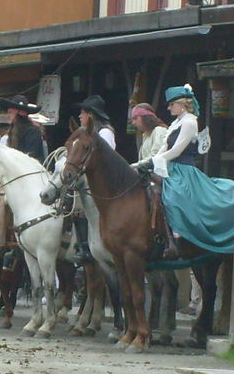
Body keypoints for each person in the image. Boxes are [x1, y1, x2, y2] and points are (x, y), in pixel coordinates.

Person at [138, 84, 234, 256]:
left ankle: (177, 238)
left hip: (183, 171)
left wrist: (155, 161)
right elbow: (164, 148)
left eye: (171, 104)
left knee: (174, 196)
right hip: (169, 168)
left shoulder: (190, 122)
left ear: (182, 104)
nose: (168, 108)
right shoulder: (176, 123)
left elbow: (176, 151)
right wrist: (142, 164)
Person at [71, 94, 115, 263]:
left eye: (82, 113)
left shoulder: (105, 133)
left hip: (104, 179)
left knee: (80, 205)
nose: (80, 116)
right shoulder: (86, 134)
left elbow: (105, 159)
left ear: (90, 115)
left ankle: (86, 248)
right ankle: (80, 244)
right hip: (91, 178)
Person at [0, 94, 45, 161]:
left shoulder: (32, 131)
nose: (8, 115)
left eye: (10, 112)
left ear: (19, 113)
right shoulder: (12, 131)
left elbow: (31, 157)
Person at [130, 103, 168, 168]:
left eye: (135, 118)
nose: (133, 123)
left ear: (146, 117)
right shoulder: (145, 135)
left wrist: (135, 165)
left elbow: (156, 155)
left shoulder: (159, 130)